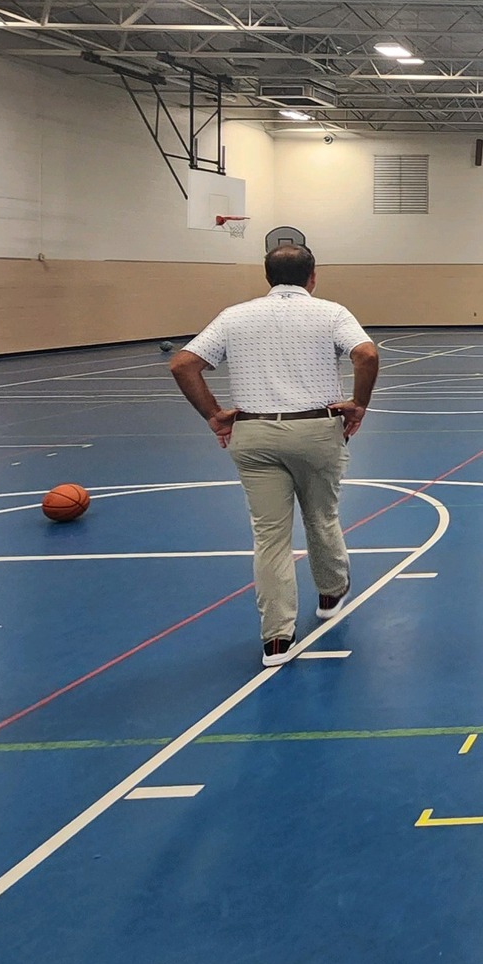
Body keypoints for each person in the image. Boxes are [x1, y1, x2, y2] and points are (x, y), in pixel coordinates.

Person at [168, 245, 380, 666]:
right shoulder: (332, 313)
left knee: (269, 537)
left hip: (254, 432)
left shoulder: (234, 316)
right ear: (312, 276)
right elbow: (366, 353)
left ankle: (277, 639)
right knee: (321, 516)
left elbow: (183, 364)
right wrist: (359, 403)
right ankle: (330, 593)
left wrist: (214, 415)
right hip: (315, 431)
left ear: (267, 277)